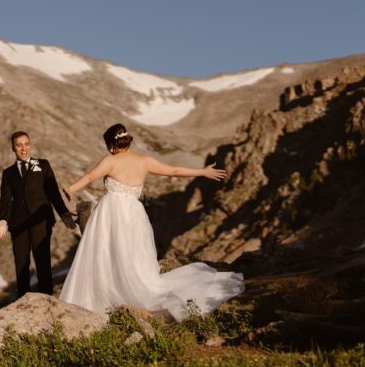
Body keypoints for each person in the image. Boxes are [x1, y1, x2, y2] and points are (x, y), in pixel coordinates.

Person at [59, 124, 243, 320]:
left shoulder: (110, 161)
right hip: (134, 214)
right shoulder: (144, 161)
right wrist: (201, 172)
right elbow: (174, 170)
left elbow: (89, 177)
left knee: (107, 252)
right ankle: (127, 286)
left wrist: (70, 188)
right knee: (131, 254)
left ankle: (108, 291)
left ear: (111, 145)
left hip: (112, 212)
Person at [0, 131, 76, 296]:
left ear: (30, 144)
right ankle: (23, 301)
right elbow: (5, 200)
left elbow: (54, 193)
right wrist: (3, 220)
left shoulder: (43, 165)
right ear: (13, 148)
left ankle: (47, 300)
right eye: (19, 145)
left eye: (26, 144)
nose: (23, 149)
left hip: (41, 221)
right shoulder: (8, 173)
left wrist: (64, 214)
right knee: (21, 264)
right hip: (18, 225)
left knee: (43, 261)